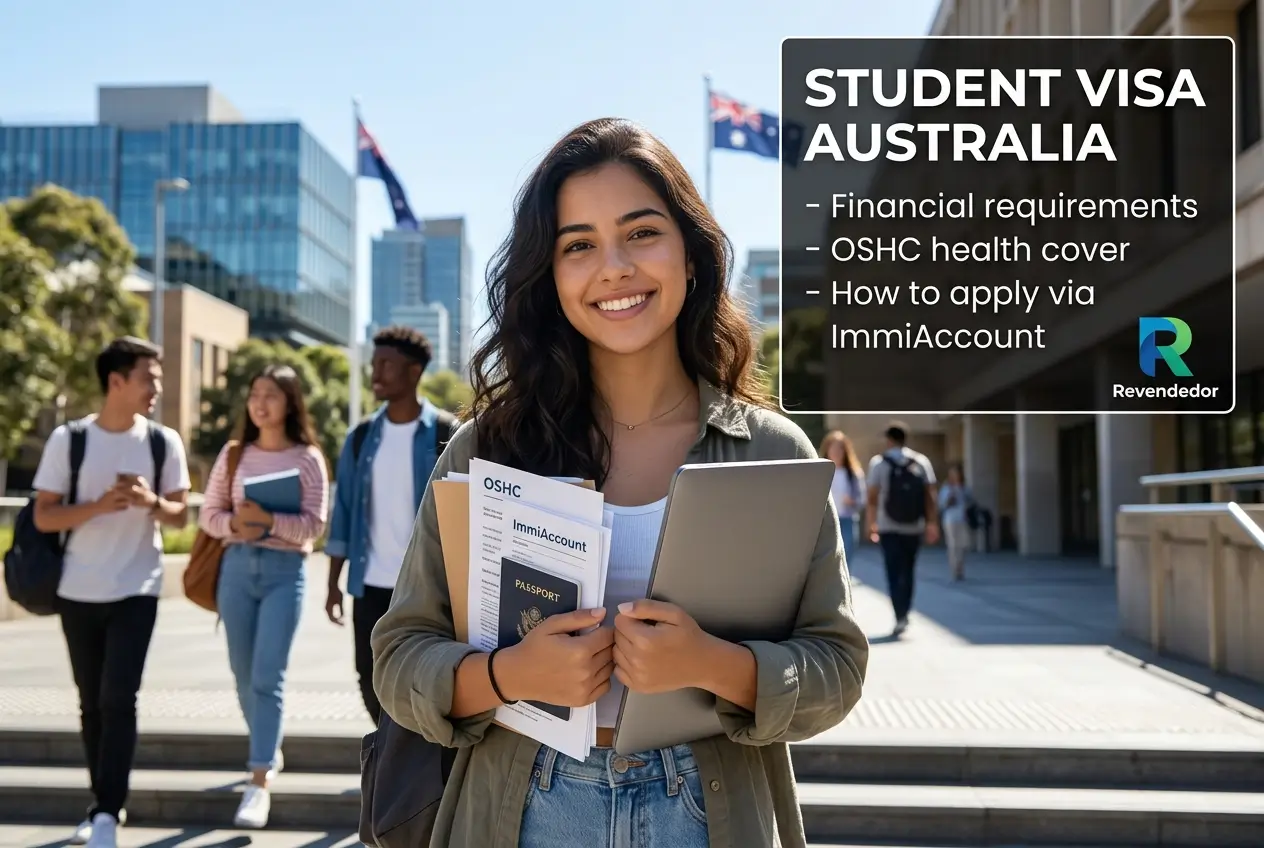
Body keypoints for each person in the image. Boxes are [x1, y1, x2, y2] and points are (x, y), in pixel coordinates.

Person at [371, 117, 869, 848]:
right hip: (525, 803)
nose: (614, 267)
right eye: (579, 245)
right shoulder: (489, 449)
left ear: (691, 257)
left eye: (641, 233)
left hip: (707, 809)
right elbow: (399, 657)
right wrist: (512, 674)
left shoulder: (770, 450)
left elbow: (837, 667)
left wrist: (712, 664)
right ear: (551, 276)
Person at [31, 336, 191, 848]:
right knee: (91, 702)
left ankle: (107, 812)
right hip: (78, 589)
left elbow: (180, 512)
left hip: (137, 588)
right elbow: (44, 514)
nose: (156, 388)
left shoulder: (163, 442)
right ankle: (100, 800)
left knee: (119, 697)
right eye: (149, 377)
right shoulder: (69, 440)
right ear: (116, 381)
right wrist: (99, 506)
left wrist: (148, 501)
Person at [198, 364, 329, 829]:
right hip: (236, 569)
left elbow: (315, 525)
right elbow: (208, 514)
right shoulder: (234, 455)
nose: (260, 402)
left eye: (271, 394)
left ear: (289, 402)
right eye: (255, 394)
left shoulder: (307, 457)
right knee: (241, 673)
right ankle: (266, 747)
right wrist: (237, 523)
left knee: (267, 677)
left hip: (283, 572)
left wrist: (269, 522)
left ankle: (258, 782)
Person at [325, 325, 454, 725]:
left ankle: (415, 768)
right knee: (369, 676)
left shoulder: (448, 434)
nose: (375, 373)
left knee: (426, 679)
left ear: (414, 372)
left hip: (428, 585)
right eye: (374, 363)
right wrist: (333, 582)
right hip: (372, 585)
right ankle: (392, 759)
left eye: (386, 364)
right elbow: (343, 510)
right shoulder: (362, 436)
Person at [866, 421, 938, 638]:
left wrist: (871, 524)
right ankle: (905, 612)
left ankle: (899, 615)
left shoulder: (879, 463)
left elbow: (871, 498)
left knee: (893, 571)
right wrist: (932, 523)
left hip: (889, 527)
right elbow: (930, 495)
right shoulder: (921, 461)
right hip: (914, 527)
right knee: (908, 571)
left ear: (889, 440)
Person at [819, 429, 864, 562]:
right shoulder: (820, 472)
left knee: (846, 558)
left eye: (840, 449)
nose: (836, 452)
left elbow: (862, 500)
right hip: (826, 522)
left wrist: (852, 501)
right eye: (833, 448)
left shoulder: (853, 474)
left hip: (846, 520)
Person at [938, 463, 973, 581]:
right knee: (953, 546)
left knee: (963, 545)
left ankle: (960, 565)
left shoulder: (964, 488)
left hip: (962, 518)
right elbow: (942, 504)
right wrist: (950, 499)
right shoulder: (946, 488)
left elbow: (970, 501)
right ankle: (955, 570)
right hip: (950, 520)